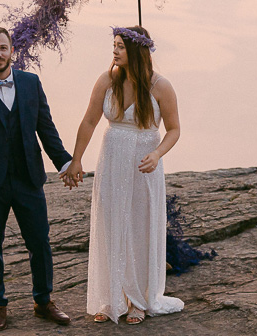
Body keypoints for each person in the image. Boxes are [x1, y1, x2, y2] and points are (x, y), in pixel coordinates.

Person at [0, 26, 76, 332]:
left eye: (2, 48)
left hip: (27, 179)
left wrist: (65, 164)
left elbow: (46, 128)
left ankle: (43, 301)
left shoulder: (31, 83)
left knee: (40, 242)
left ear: (12, 51)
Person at [62, 25, 184, 324]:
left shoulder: (161, 86)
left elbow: (174, 129)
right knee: (110, 224)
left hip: (144, 165)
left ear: (136, 51)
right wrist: (75, 160)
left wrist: (157, 154)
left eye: (120, 46)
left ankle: (140, 300)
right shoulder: (107, 80)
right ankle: (111, 298)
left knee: (140, 228)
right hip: (112, 161)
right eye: (113, 45)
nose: (114, 51)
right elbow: (90, 121)